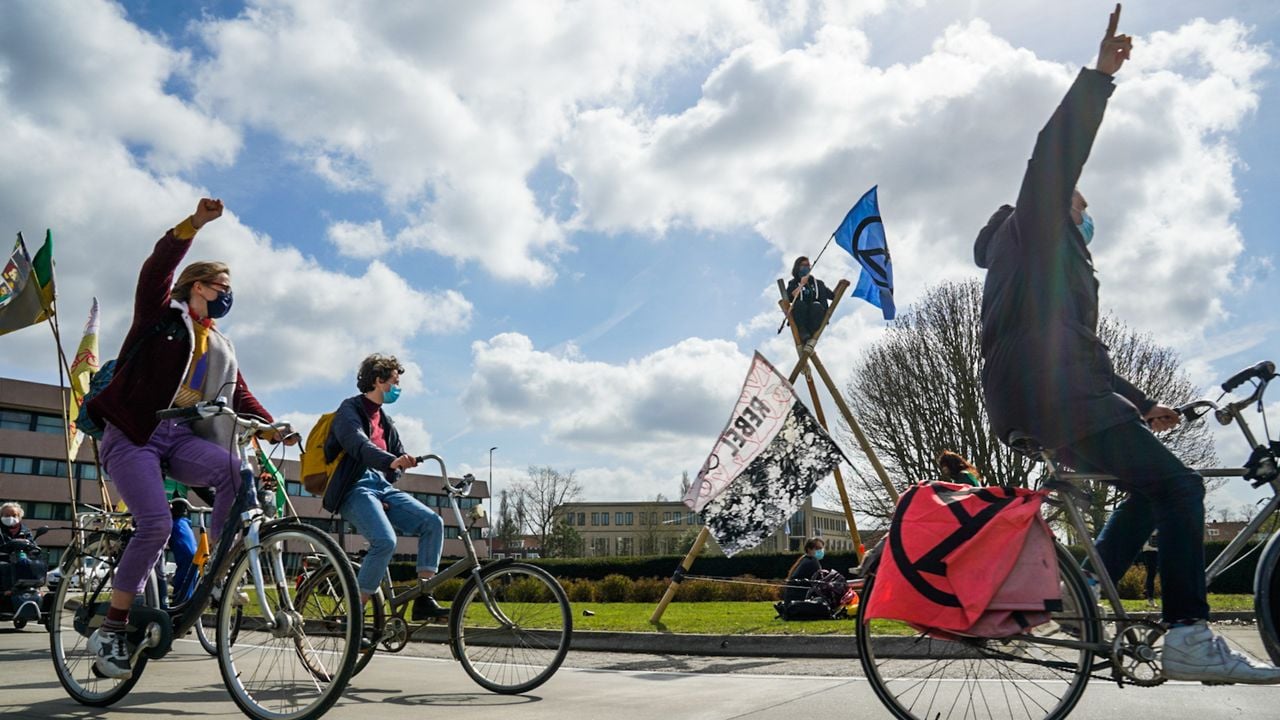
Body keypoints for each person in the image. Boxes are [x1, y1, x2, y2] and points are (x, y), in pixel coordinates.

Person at [974, 4, 1280, 683]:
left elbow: (1085, 352)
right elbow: (1054, 156)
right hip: (1054, 400)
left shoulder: (1049, 271)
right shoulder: (1032, 234)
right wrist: (1099, 77)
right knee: (1181, 486)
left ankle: (1086, 600)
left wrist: (1143, 405)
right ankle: (1188, 633)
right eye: (1081, 209)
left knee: (1148, 491)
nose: (1087, 220)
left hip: (1058, 395)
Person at [83, 198, 293, 680]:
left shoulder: (220, 344)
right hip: (134, 434)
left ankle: (217, 564)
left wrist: (272, 424)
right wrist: (193, 224)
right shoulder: (159, 317)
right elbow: (155, 267)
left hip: (178, 435)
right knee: (154, 526)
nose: (227, 296)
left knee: (234, 472)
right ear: (197, 286)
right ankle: (113, 628)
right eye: (222, 287)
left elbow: (238, 393)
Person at [323, 354, 447, 620]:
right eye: (395, 381)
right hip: (355, 488)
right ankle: (354, 615)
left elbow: (397, 458)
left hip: (381, 488)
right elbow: (357, 445)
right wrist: (391, 461)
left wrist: (401, 462)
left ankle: (424, 597)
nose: (398, 387)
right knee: (385, 541)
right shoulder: (349, 410)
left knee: (433, 522)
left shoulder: (385, 421)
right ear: (379, 380)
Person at [785, 256, 835, 345]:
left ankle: (811, 333)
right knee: (800, 304)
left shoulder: (818, 283)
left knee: (816, 305)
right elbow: (789, 298)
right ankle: (803, 332)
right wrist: (801, 285)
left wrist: (842, 285)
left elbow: (832, 296)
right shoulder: (793, 283)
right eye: (803, 265)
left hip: (815, 316)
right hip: (801, 318)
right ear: (797, 267)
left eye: (808, 265)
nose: (806, 267)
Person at [782, 538, 824, 603]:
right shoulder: (812, 561)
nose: (820, 551)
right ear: (809, 549)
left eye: (821, 548)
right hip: (799, 600)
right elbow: (821, 581)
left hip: (791, 600)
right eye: (817, 548)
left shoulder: (804, 559)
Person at [1140, 532, 1159, 609]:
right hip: (1149, 550)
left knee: (1153, 573)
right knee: (1151, 573)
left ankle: (1149, 596)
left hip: (1158, 549)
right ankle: (1150, 598)